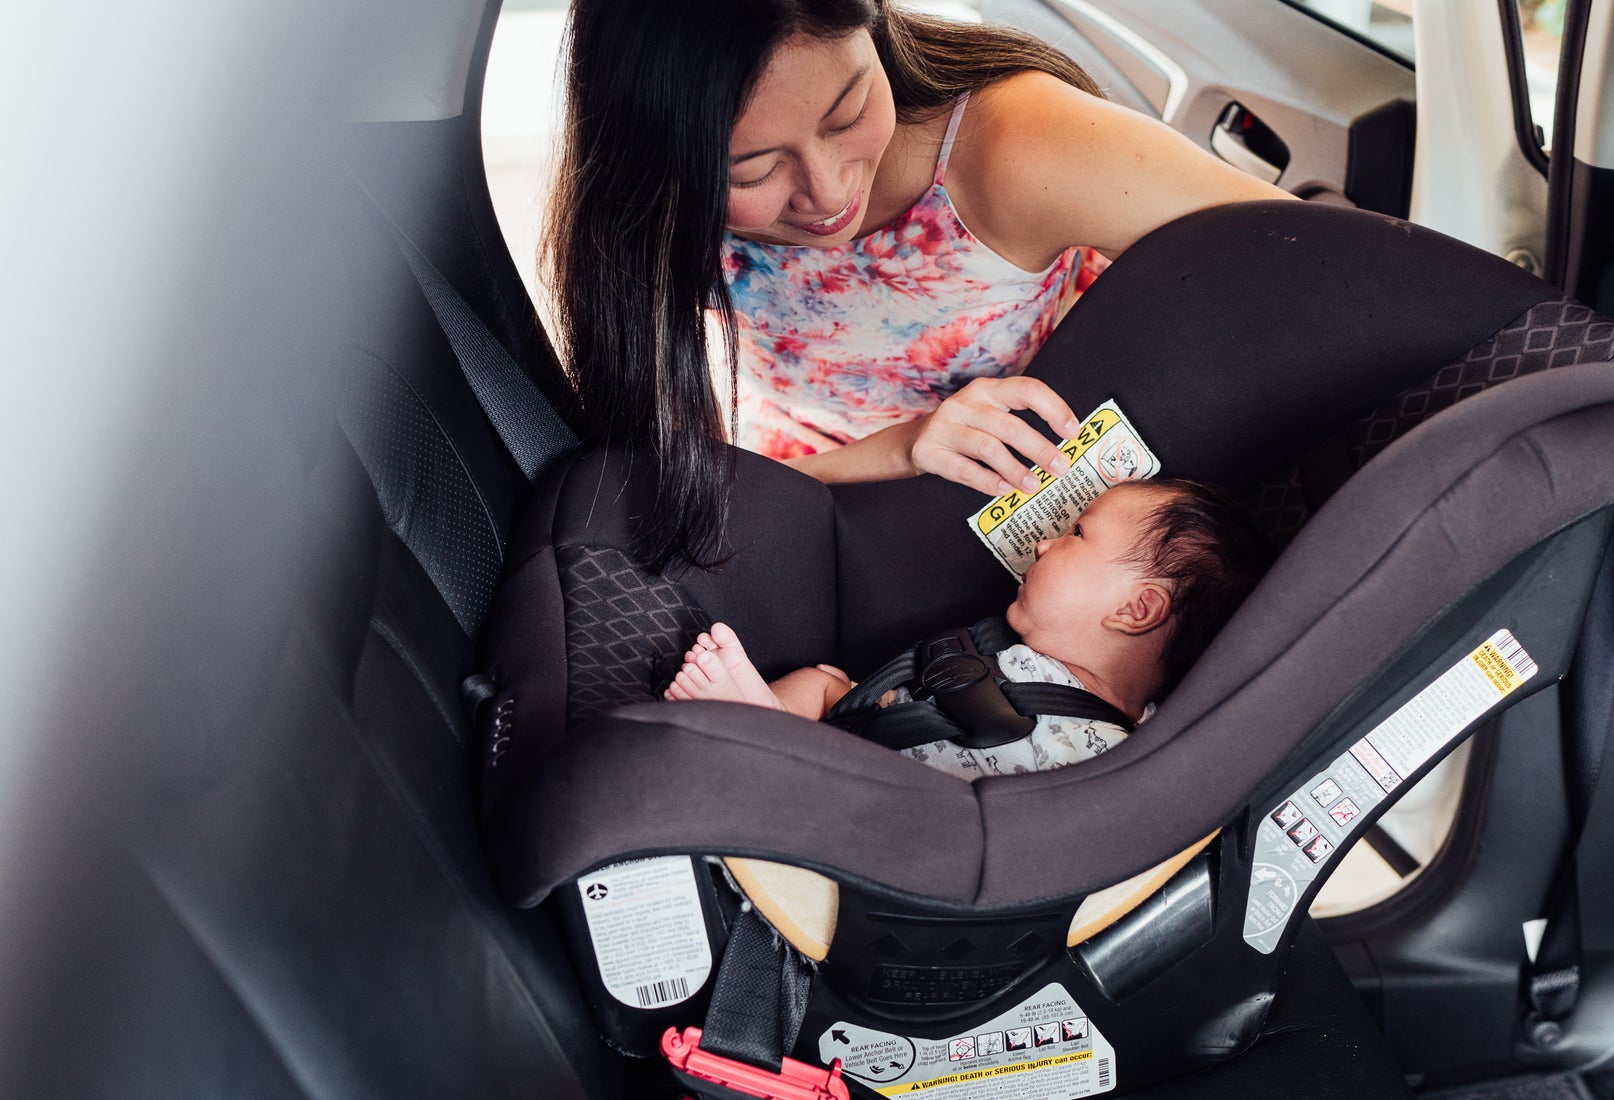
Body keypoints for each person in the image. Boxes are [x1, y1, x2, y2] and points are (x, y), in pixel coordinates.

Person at [543, 0, 1292, 569]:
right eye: (755, 170)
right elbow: (674, 497)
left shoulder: (1014, 148)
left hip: (1021, 544)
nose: (828, 191)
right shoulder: (657, 222)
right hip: (799, 512)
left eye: (848, 114)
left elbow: (1319, 267)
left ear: (874, 29)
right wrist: (895, 453)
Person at [662, 479, 1272, 779]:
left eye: (1077, 534)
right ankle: (759, 721)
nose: (1043, 540)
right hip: (869, 729)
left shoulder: (1095, 763)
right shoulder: (1123, 710)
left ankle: (753, 747)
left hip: (877, 805)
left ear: (1136, 612)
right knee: (825, 681)